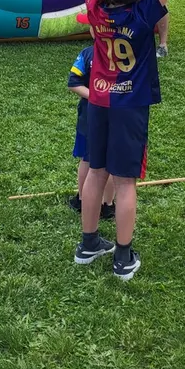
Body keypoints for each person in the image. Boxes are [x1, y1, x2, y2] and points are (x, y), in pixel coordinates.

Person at [74, 0, 180, 281]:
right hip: (129, 107)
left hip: (99, 102)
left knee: (95, 173)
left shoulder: (95, 8)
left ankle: (88, 243)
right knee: (125, 183)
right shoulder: (144, 13)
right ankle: (122, 257)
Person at [67, 17, 115, 219]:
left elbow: (73, 83)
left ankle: (84, 200)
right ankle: (107, 204)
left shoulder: (87, 53)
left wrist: (94, 96)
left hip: (91, 117)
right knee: (112, 162)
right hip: (116, 117)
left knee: (88, 159)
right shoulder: (127, 55)